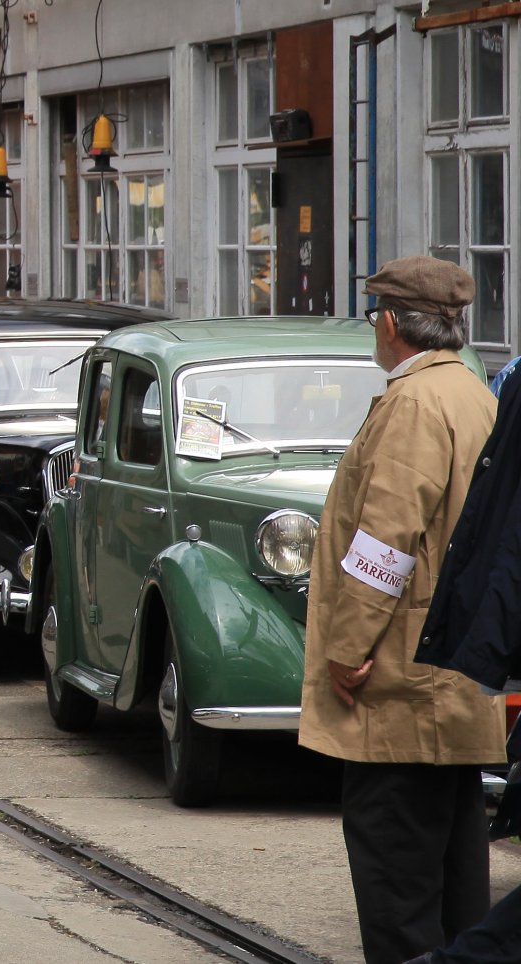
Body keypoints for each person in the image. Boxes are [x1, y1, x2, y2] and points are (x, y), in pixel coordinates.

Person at [298, 256, 505, 964]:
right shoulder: (472, 391)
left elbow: (385, 540)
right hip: (453, 677)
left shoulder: (413, 403)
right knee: (456, 881)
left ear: (389, 323)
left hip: (402, 685)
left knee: (397, 884)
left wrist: (346, 647)